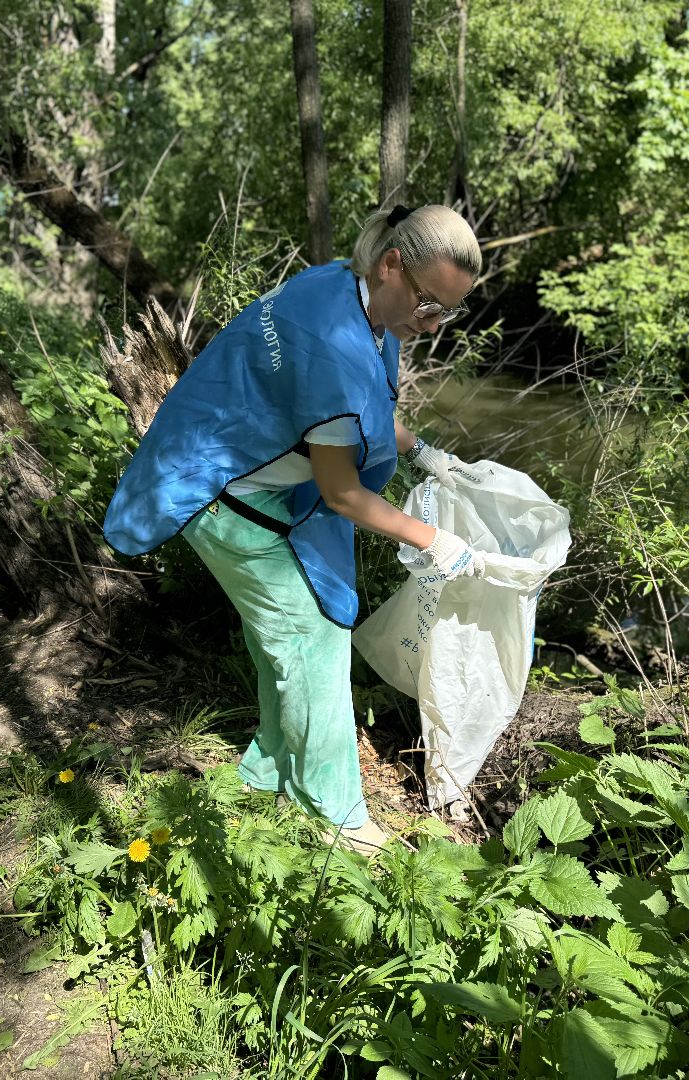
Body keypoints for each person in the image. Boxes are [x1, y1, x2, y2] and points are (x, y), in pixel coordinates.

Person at [103, 204, 484, 854]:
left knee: (289, 637)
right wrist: (434, 541)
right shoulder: (328, 346)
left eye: (447, 311)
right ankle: (334, 813)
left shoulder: (351, 290)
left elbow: (366, 401)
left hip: (258, 467)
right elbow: (340, 492)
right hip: (220, 486)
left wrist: (421, 450)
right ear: (392, 264)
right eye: (428, 304)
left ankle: (272, 772)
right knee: (311, 635)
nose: (433, 323)